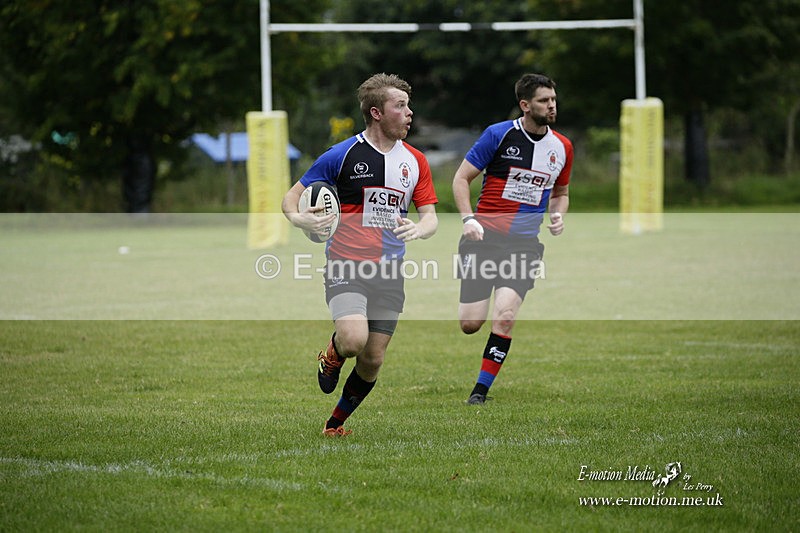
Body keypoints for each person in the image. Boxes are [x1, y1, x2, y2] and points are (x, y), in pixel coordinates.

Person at [281, 73, 438, 436]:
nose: (410, 113)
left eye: (409, 105)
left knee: (372, 359)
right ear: (376, 113)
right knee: (353, 341)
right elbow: (291, 199)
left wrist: (419, 228)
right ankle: (333, 353)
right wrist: (300, 218)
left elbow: (430, 217)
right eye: (401, 105)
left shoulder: (415, 161)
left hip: (390, 272)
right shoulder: (342, 155)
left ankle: (334, 425)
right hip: (346, 265)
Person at [452, 73, 573, 405]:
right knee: (470, 323)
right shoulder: (498, 135)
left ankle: (479, 392)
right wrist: (468, 219)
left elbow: (561, 193)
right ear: (525, 105)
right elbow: (461, 179)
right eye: (544, 101)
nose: (552, 106)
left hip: (524, 245)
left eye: (553, 99)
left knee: (504, 316)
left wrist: (558, 214)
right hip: (483, 239)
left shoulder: (562, 147)